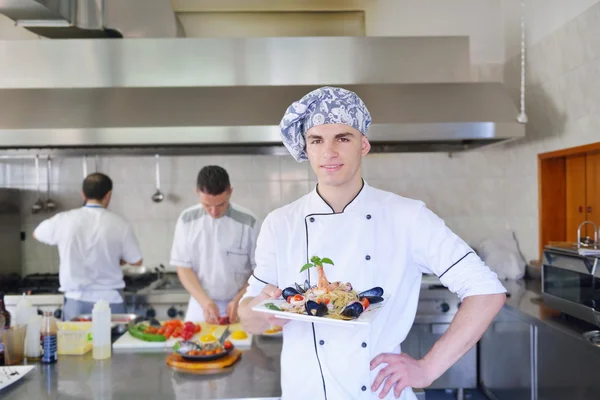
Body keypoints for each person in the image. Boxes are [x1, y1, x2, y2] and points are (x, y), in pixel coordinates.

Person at [238, 87, 507, 400]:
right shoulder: (280, 223)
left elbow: (487, 292)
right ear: (306, 149)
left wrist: (427, 368)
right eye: (316, 140)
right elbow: (247, 314)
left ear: (363, 144)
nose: (329, 152)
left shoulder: (407, 216)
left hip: (378, 393)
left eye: (342, 138)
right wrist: (262, 311)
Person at [33, 173, 143, 321]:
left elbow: (37, 233)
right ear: (108, 195)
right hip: (111, 301)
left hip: (76, 301)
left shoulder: (63, 219)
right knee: (112, 343)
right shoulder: (119, 223)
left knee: (75, 344)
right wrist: (118, 259)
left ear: (83, 194)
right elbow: (136, 261)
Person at [170, 165, 259, 324]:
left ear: (230, 192)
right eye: (207, 205)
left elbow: (258, 270)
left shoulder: (249, 222)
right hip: (201, 303)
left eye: (220, 205)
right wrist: (205, 302)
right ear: (197, 193)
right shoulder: (186, 219)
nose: (213, 212)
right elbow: (183, 267)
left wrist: (239, 299)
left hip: (241, 301)